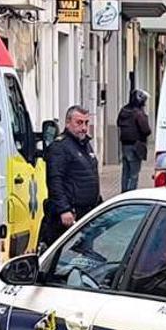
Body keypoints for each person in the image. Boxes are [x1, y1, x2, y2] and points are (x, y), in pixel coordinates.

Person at [40, 105, 100, 247]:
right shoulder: (60, 147)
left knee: (85, 257)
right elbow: (55, 180)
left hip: (86, 214)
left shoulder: (84, 144)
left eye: (86, 123)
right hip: (68, 217)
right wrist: (64, 209)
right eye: (79, 123)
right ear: (68, 123)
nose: (84, 128)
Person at [117, 89, 152, 193]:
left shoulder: (124, 110)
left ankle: (123, 194)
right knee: (134, 174)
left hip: (124, 145)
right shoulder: (138, 113)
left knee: (125, 172)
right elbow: (146, 130)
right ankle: (130, 194)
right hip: (136, 145)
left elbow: (118, 123)